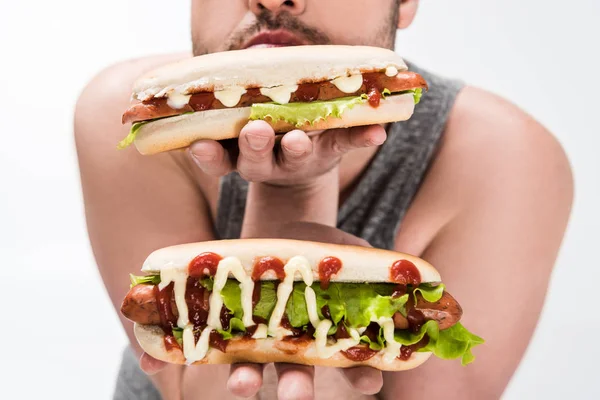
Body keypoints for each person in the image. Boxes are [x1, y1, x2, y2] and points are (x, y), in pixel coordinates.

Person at [73, 1, 573, 399]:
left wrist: (302, 190)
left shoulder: (506, 156)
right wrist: (288, 191)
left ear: (404, 3)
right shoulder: (120, 109)